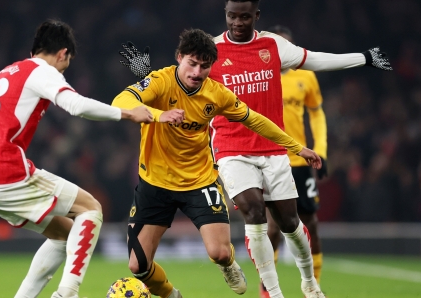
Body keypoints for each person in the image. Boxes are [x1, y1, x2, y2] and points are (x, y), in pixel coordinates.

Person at [119, 1, 391, 297]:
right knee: (143, 264)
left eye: (244, 16)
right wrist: (147, 85)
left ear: (256, 16)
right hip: (219, 155)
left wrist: (364, 58)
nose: (237, 22)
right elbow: (160, 82)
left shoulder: (267, 51)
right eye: (232, 16)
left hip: (239, 163)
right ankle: (266, 294)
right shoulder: (207, 50)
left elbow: (304, 70)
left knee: (287, 224)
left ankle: (306, 282)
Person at [114, 28, 322, 298]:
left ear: (211, 67)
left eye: (204, 66)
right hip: (155, 183)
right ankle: (171, 295)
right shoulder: (159, 81)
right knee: (138, 266)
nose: (196, 72)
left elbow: (255, 119)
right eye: (191, 63)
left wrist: (296, 147)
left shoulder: (217, 94)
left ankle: (228, 264)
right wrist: (158, 114)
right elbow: (122, 101)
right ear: (179, 57)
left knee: (219, 253)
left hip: (199, 181)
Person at [0, 20, 154, 298]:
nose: (64, 70)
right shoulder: (40, 71)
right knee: (91, 209)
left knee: (65, 235)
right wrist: (127, 113)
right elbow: (75, 105)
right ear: (63, 53)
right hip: (3, 170)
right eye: (67, 64)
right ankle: (68, 293)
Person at [259, 25, 328, 298]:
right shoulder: (259, 77)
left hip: (300, 162)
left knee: (310, 222)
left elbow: (317, 113)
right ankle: (267, 291)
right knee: (273, 227)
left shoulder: (306, 77)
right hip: (270, 159)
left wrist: (320, 148)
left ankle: (314, 286)